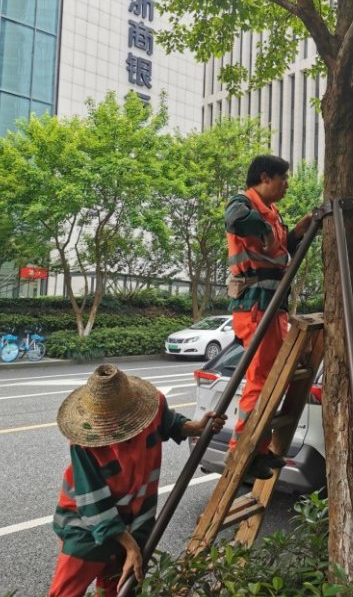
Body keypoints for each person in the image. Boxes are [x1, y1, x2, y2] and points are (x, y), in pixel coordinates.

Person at [48, 364, 227, 597]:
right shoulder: (85, 442)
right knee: (65, 592)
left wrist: (197, 427)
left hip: (136, 519)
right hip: (86, 525)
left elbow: (171, 423)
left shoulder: (152, 409)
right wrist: (129, 545)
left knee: (120, 587)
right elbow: (92, 502)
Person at [224, 155, 312, 480]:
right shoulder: (243, 202)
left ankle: (258, 449)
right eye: (283, 178)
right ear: (265, 177)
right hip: (256, 303)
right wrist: (263, 227)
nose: (286, 184)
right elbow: (235, 221)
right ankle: (242, 453)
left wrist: (299, 228)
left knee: (276, 379)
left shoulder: (272, 213)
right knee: (261, 380)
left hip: (274, 305)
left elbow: (278, 249)